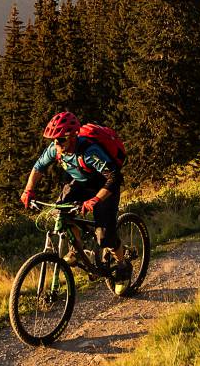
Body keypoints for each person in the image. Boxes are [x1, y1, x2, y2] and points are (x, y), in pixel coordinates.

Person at [20, 111, 131, 293]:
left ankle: (122, 265)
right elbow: (38, 167)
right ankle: (76, 249)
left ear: (72, 137)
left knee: (105, 236)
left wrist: (95, 200)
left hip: (104, 186)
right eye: (54, 140)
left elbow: (113, 177)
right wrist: (28, 190)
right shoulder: (56, 149)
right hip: (79, 181)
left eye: (60, 140)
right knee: (62, 211)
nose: (56, 144)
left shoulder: (89, 152)